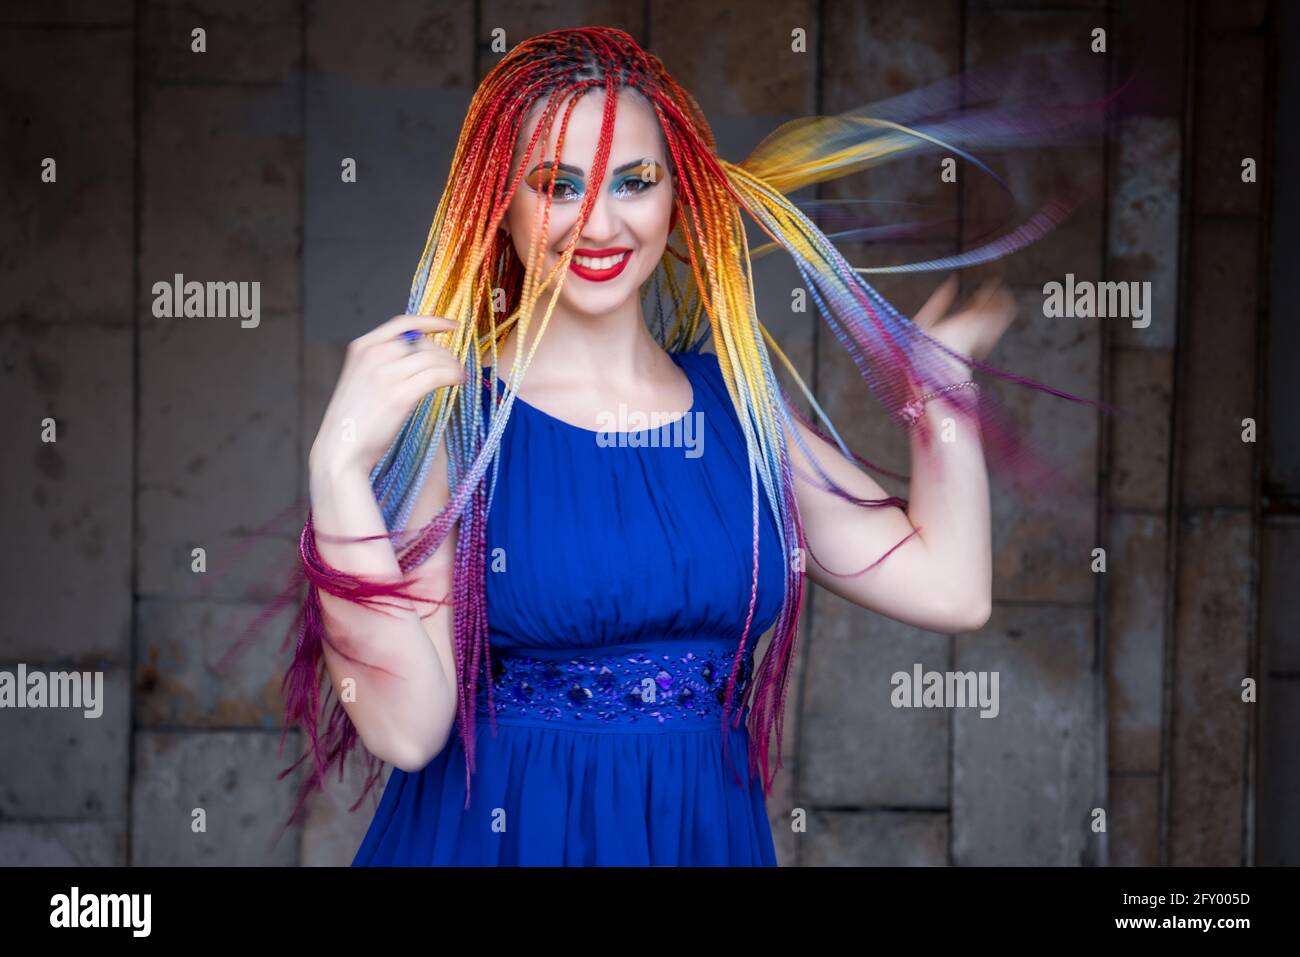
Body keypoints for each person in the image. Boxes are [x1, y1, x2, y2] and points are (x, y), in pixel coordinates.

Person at [271, 26, 1106, 865]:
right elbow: (407, 730)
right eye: (558, 185)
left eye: (634, 181)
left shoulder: (744, 413)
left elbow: (952, 590)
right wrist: (336, 469)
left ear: (676, 194)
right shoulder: (463, 424)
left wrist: (940, 400)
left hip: (698, 838)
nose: (599, 221)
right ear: (503, 206)